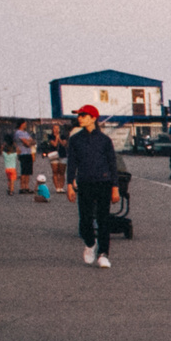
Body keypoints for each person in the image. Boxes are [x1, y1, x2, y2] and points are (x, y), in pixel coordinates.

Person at [64, 104, 122, 268]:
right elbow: (72, 163)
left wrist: (115, 187)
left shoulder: (105, 140)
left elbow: (112, 164)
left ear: (93, 118)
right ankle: (90, 243)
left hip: (103, 182)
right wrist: (69, 184)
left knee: (103, 220)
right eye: (79, 115)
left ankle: (103, 254)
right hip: (84, 183)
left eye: (83, 115)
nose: (79, 118)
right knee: (85, 220)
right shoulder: (75, 140)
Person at [0, 120, 19, 195]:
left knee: (9, 179)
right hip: (13, 169)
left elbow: (1, 151)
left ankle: (9, 188)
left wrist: (3, 145)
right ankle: (11, 190)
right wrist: (15, 145)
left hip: (7, 169)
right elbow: (18, 151)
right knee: (12, 180)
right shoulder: (14, 154)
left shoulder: (5, 154)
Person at [13, 121, 35, 196]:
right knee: (24, 171)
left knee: (28, 171)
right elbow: (27, 143)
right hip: (23, 153)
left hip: (28, 153)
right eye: (25, 124)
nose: (26, 125)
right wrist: (28, 142)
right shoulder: (18, 133)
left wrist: (28, 142)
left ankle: (27, 187)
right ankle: (22, 187)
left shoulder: (26, 133)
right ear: (21, 124)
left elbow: (33, 142)